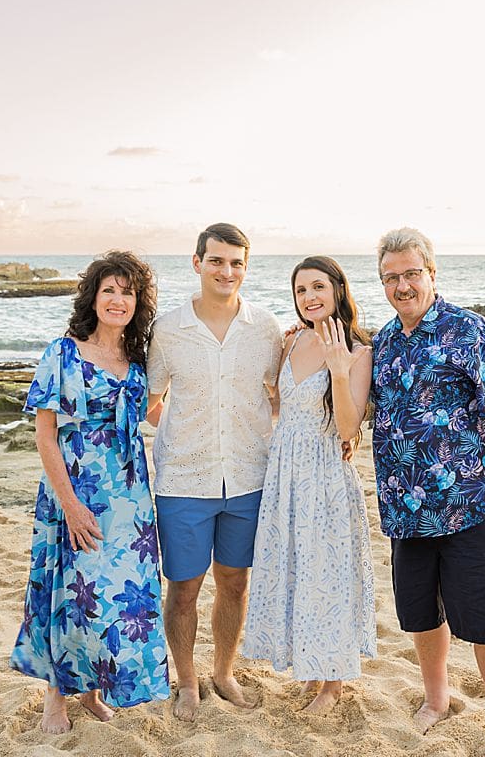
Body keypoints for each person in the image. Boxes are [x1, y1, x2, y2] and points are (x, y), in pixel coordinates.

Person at [369, 228, 485, 757]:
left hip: (471, 505)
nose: (402, 286)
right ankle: (437, 698)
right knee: (422, 613)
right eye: (391, 277)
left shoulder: (473, 333)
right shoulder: (383, 342)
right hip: (405, 507)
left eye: (411, 274)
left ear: (432, 274)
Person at [10, 251, 169, 733]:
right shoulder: (64, 352)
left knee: (118, 596)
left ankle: (94, 689)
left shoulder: (138, 360)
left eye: (127, 291)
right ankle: (56, 700)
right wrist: (71, 505)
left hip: (131, 493)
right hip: (77, 489)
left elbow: (158, 416)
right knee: (71, 592)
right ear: (93, 298)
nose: (118, 300)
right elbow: (45, 435)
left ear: (137, 302)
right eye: (109, 290)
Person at [146, 223, 284, 721]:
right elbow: (151, 400)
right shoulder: (168, 329)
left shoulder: (265, 327)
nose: (227, 271)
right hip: (184, 480)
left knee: (234, 582)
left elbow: (281, 394)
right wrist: (184, 432)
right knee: (183, 586)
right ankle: (187, 683)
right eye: (218, 261)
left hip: (249, 477)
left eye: (237, 263)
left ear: (246, 268)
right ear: (197, 262)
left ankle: (223, 672)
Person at [241, 256, 377, 714]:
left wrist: (339, 370)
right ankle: (312, 664)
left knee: (328, 572)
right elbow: (279, 402)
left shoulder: (358, 351)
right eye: (301, 291)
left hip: (325, 475)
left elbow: (346, 427)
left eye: (318, 287)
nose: (310, 297)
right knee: (297, 567)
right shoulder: (293, 339)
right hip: (285, 471)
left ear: (338, 289)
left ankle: (332, 683)